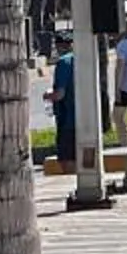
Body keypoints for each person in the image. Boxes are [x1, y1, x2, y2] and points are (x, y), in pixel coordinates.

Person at [49, 28, 76, 169]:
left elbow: (60, 94)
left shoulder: (63, 63)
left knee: (67, 161)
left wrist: (48, 96)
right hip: (85, 118)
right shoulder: (81, 59)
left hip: (67, 118)